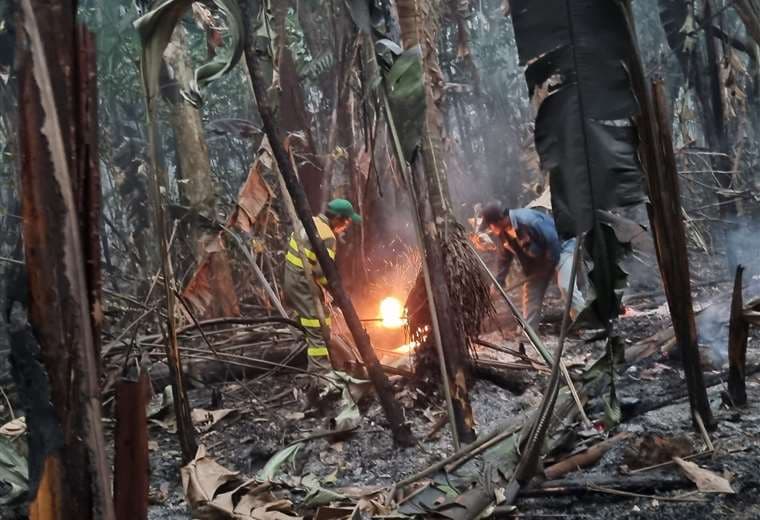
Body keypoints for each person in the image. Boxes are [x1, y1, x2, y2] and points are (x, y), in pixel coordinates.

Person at [477, 204, 584, 331]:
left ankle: (587, 324)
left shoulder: (529, 221)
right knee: (531, 294)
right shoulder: (503, 233)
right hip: (539, 262)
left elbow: (553, 241)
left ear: (499, 220)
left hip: (562, 249)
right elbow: (504, 259)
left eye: (490, 225)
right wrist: (497, 283)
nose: (490, 229)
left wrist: (548, 267)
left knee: (566, 287)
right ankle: (529, 333)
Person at [283, 198, 361, 372]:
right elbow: (322, 272)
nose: (347, 225)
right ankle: (322, 377)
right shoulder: (326, 236)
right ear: (338, 218)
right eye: (347, 221)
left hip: (290, 280)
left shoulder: (311, 222)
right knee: (319, 329)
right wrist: (334, 292)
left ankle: (300, 358)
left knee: (304, 324)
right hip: (303, 283)